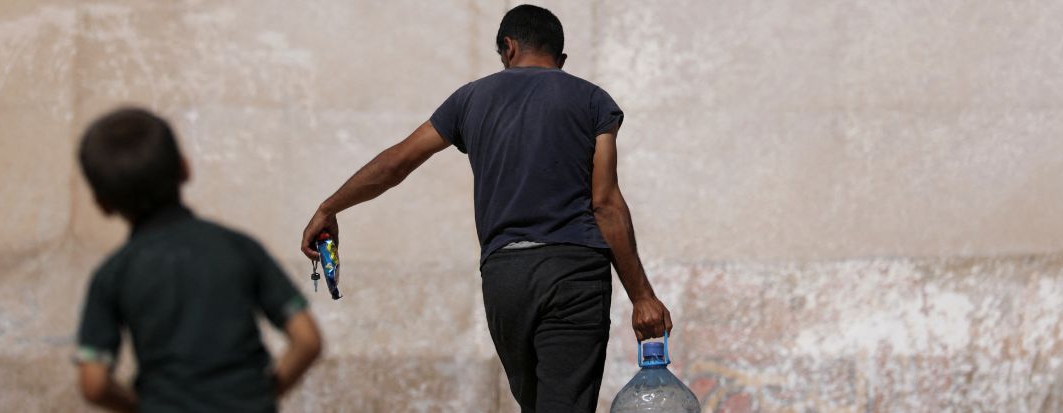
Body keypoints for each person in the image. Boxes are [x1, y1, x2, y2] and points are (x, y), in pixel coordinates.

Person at [299, 5, 671, 412]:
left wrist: (329, 207)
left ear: (508, 48)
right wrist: (642, 296)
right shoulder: (592, 101)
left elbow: (395, 164)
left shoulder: (470, 99)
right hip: (574, 273)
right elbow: (605, 203)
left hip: (505, 278)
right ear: (560, 59)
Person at [74, 107, 322, 412]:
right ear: (185, 169)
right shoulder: (239, 247)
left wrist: (142, 407)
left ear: (103, 204)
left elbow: (94, 383)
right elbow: (307, 340)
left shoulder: (113, 274)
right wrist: (262, 394)